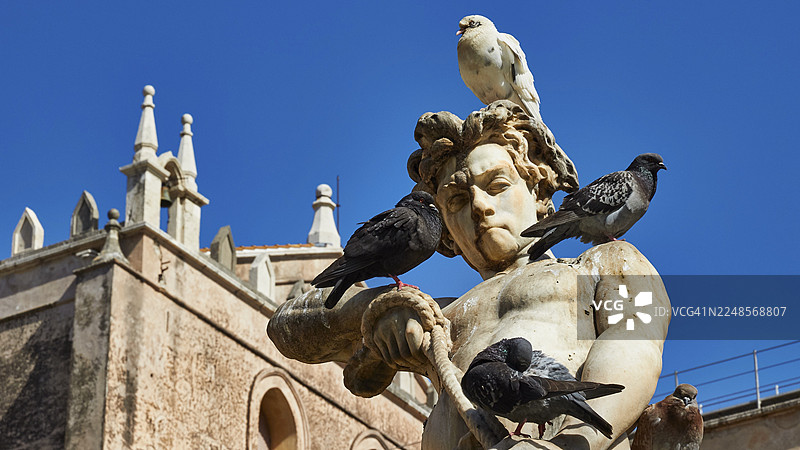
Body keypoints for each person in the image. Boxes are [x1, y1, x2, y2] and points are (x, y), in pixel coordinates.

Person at [268, 101, 670, 449]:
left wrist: (565, 447)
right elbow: (287, 329)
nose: (479, 207)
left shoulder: (606, 263)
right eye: (457, 199)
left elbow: (632, 350)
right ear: (443, 229)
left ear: (540, 192)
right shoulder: (439, 313)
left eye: (496, 184)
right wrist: (376, 310)